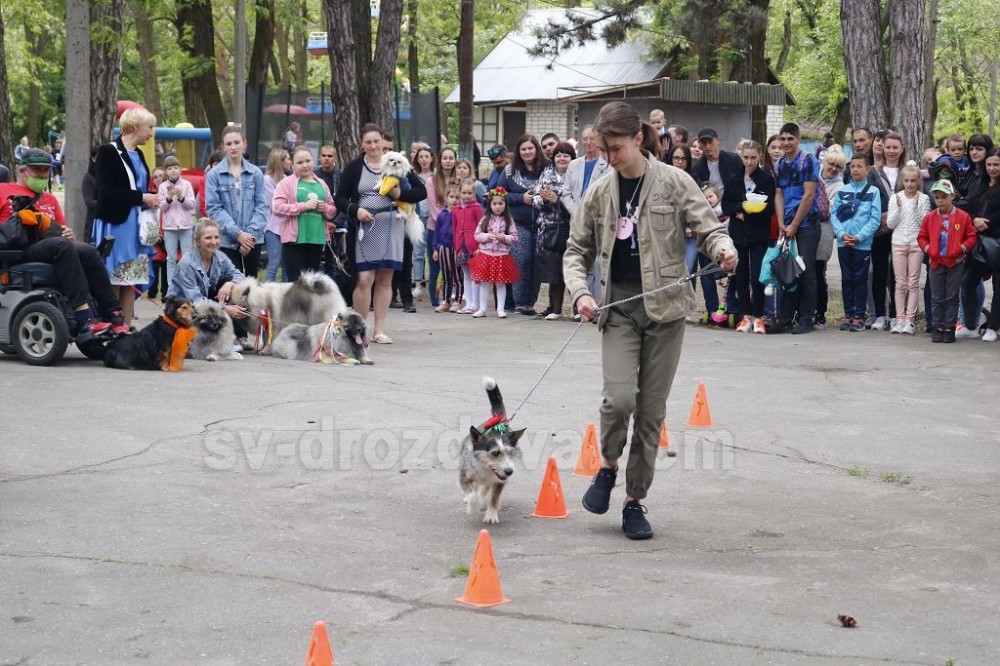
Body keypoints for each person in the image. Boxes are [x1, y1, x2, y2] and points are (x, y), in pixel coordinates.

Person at [564, 101, 736, 541]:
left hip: (666, 310)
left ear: (638, 139)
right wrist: (581, 291)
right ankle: (607, 465)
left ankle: (634, 501)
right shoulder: (600, 192)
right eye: (603, 150)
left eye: (616, 148)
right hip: (617, 307)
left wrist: (723, 250)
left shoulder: (675, 182)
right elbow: (575, 251)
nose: (610, 158)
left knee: (650, 413)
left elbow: (710, 227)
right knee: (618, 399)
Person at [0, 148, 129, 341]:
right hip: (20, 248)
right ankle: (84, 317)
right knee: (62, 245)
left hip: (54, 246)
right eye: (37, 171)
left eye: (45, 171)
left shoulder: (50, 198)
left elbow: (61, 228)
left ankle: (114, 314)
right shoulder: (4, 190)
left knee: (87, 250)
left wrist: (67, 232)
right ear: (23, 171)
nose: (42, 175)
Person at [334, 123, 427, 344]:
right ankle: (359, 327)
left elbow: (420, 191)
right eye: (368, 142)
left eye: (377, 141)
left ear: (383, 142)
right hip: (365, 228)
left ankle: (379, 330)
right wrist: (356, 210)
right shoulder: (354, 167)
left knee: (386, 278)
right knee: (365, 279)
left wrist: (400, 193)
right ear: (362, 144)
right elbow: (340, 198)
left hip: (392, 225)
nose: (373, 146)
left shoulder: (398, 162)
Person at [92, 106, 159, 325]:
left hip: (136, 225)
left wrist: (149, 197)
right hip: (116, 224)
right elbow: (106, 191)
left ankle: (126, 326)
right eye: (149, 127)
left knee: (131, 278)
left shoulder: (139, 153)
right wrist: (142, 197)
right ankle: (111, 326)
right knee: (115, 276)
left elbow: (139, 187)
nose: (151, 132)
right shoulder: (108, 151)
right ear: (135, 126)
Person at [772, 123, 821, 334]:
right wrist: (782, 224)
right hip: (788, 226)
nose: (785, 143)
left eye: (790, 139)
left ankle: (807, 318)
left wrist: (794, 224)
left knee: (806, 271)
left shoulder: (807, 161)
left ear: (798, 139)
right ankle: (784, 319)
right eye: (782, 139)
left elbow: (809, 195)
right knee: (787, 271)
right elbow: (779, 195)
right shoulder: (779, 164)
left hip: (807, 224)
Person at [722, 139, 774, 334]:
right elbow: (726, 205)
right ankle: (745, 316)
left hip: (759, 233)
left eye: (753, 158)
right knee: (741, 274)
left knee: (758, 276)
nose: (750, 162)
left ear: (759, 156)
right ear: (740, 156)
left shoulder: (766, 179)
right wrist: (740, 208)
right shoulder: (733, 179)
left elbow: (769, 209)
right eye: (746, 157)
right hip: (738, 234)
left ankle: (759, 316)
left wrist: (751, 212)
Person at [206, 126, 269, 281]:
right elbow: (214, 209)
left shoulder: (256, 173)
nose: (233, 147)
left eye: (236, 142)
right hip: (227, 240)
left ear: (244, 143)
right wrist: (238, 234)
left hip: (252, 240)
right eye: (228, 144)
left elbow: (262, 207)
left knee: (251, 289)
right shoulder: (214, 175)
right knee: (232, 287)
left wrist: (249, 236)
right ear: (223, 146)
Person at [918, 180, 977, 343]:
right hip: (936, 262)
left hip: (955, 263)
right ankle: (937, 326)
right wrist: (928, 249)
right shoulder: (930, 218)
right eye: (937, 197)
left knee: (951, 297)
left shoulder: (962, 217)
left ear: (952, 196)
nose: (940, 200)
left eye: (944, 197)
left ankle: (949, 327)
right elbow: (922, 237)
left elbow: (971, 236)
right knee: (937, 296)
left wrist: (963, 248)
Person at [498, 134, 548, 315]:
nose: (527, 152)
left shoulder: (548, 168)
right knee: (521, 261)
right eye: (523, 149)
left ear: (537, 149)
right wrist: (521, 198)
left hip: (544, 225)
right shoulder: (510, 170)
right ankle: (519, 303)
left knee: (537, 264)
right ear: (518, 152)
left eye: (530, 148)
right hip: (518, 224)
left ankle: (530, 304)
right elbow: (498, 194)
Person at [832, 153, 883, 332]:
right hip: (843, 243)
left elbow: (874, 219)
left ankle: (859, 316)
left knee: (860, 279)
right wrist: (841, 234)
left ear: (867, 169)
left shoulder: (873, 192)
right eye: (852, 166)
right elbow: (834, 215)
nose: (855, 170)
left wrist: (859, 237)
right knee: (846, 279)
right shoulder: (841, 191)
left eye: (859, 166)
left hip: (862, 244)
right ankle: (848, 315)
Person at [271, 145, 337, 281]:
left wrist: (324, 207)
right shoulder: (286, 183)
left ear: (313, 161)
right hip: (294, 241)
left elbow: (332, 210)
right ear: (292, 165)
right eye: (300, 162)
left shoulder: (322, 183)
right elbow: (277, 207)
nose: (305, 165)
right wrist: (303, 206)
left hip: (317, 239)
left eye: (308, 161)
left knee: (311, 285)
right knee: (297, 284)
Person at [167, 218, 248, 326]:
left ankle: (238, 337)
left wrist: (230, 284)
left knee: (236, 288)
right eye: (208, 238)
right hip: (180, 311)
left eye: (216, 237)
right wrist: (224, 309)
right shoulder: (187, 263)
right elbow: (196, 302)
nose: (214, 242)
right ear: (198, 242)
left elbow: (240, 276)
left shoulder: (220, 257)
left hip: (201, 305)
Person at [958, 147, 1000, 341]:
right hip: (979, 243)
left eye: (996, 165)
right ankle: (971, 326)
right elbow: (969, 208)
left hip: (997, 241)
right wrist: (975, 220)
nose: (992, 168)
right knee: (967, 283)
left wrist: (987, 222)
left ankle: (993, 327)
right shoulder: (980, 185)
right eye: (989, 164)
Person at [866, 131, 907, 330]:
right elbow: (868, 201)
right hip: (880, 230)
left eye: (895, 147)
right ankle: (880, 315)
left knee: (899, 274)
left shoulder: (908, 171)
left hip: (903, 230)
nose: (891, 151)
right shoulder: (873, 172)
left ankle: (897, 314)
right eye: (888, 147)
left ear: (902, 149)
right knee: (880, 271)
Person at [886, 163, 931, 335]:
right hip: (898, 242)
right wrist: (898, 208)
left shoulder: (924, 199)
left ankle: (910, 320)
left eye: (913, 181)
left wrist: (916, 207)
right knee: (900, 282)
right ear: (902, 181)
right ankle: (899, 318)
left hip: (915, 244)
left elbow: (924, 224)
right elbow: (890, 223)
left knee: (913, 282)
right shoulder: (895, 198)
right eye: (907, 181)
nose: (910, 184)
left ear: (918, 181)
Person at [532, 141, 574, 320]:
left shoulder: (576, 173)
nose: (562, 158)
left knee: (572, 270)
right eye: (558, 155)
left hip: (572, 228)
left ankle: (578, 311)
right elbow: (534, 199)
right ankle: (555, 309)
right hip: (549, 229)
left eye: (566, 155)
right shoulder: (546, 173)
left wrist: (557, 199)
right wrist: (544, 199)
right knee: (554, 271)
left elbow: (579, 200)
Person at [469, 187, 520, 318]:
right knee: (484, 282)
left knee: (500, 283)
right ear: (490, 205)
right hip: (486, 255)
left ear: (505, 204)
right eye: (495, 204)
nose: (498, 207)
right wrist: (486, 236)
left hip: (501, 256)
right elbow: (477, 235)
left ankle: (501, 309)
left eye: (501, 203)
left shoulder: (509, 220)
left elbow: (515, 237)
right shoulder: (485, 219)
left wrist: (506, 238)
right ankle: (482, 308)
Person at [816, 145, 847, 328]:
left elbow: (829, 210)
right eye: (831, 163)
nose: (833, 168)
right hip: (805, 229)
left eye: (838, 166)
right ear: (824, 161)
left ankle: (820, 313)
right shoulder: (814, 175)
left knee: (819, 272)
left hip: (824, 232)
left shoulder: (840, 186)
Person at [157, 155, 196, 289]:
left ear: (180, 169)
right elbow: (161, 207)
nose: (173, 170)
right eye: (169, 168)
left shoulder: (186, 185)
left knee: (186, 257)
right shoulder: (162, 187)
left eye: (175, 167)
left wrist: (180, 197)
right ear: (166, 171)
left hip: (186, 226)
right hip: (170, 227)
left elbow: (191, 205)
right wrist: (168, 198)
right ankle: (172, 287)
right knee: (171, 258)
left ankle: (186, 284)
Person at [453, 178, 484, 314]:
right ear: (459, 193)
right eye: (464, 193)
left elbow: (482, 226)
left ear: (473, 193)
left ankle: (475, 304)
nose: (466, 196)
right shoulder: (456, 209)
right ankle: (469, 303)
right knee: (465, 274)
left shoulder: (477, 208)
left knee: (474, 275)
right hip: (461, 245)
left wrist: (480, 246)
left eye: (469, 193)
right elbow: (454, 229)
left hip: (474, 245)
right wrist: (456, 245)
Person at [412, 146, 436, 303]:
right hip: (418, 217)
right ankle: (418, 283)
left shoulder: (436, 177)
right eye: (421, 157)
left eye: (427, 156)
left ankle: (439, 283)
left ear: (432, 158)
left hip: (434, 218)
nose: (424, 159)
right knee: (418, 252)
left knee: (434, 252)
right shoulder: (413, 176)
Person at [262, 147, 290, 282]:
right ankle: (266, 296)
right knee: (274, 261)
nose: (290, 161)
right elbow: (276, 205)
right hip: (273, 227)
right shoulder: (266, 180)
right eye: (288, 159)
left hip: (287, 227)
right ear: (280, 162)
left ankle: (285, 296)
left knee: (286, 265)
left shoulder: (286, 179)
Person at [432, 184, 460, 313]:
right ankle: (446, 300)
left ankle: (457, 301)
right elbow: (436, 233)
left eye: (457, 197)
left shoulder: (460, 213)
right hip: (443, 248)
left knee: (457, 276)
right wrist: (435, 249)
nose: (454, 200)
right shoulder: (441, 215)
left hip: (456, 247)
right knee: (446, 276)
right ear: (446, 197)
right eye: (451, 197)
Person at [691, 128, 742, 194]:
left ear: (718, 140)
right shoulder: (697, 168)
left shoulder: (734, 159)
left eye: (710, 141)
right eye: (704, 143)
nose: (707, 146)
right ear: (699, 144)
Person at [81, 146, 100, 244]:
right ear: (93, 158)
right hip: (94, 225)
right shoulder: (88, 178)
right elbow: (89, 201)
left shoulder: (108, 177)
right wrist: (106, 205)